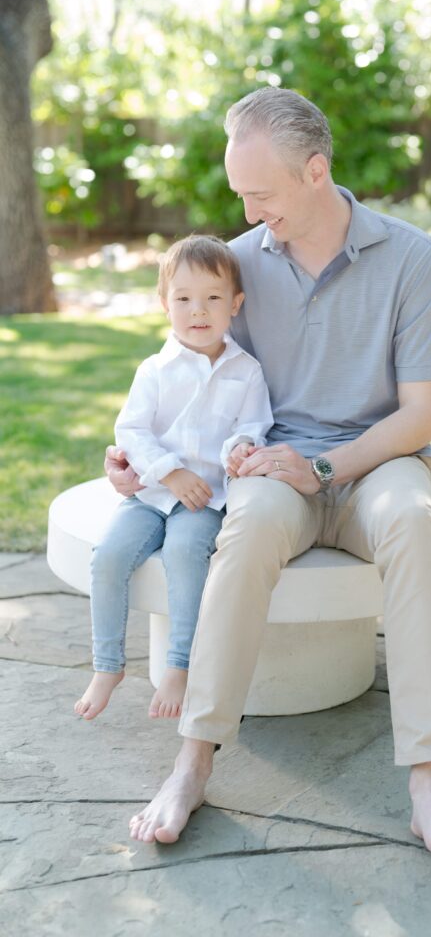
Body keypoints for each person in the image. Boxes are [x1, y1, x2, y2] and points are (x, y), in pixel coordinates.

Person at [108, 87, 431, 862]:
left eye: (261, 194)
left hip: (379, 462)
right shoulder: (236, 266)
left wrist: (324, 467)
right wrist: (138, 461)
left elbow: (420, 416)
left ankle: (428, 783)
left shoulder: (411, 258)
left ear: (316, 172)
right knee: (243, 532)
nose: (248, 213)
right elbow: (184, 378)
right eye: (240, 195)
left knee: (415, 523)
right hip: (272, 467)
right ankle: (193, 761)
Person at [76, 234, 272, 721]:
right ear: (165, 304)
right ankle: (108, 665)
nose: (197, 310)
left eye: (212, 298)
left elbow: (252, 428)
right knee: (109, 557)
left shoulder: (246, 372)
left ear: (235, 305)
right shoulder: (155, 369)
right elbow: (132, 430)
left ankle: (179, 664)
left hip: (203, 500)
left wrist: (239, 451)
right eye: (183, 298)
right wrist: (170, 471)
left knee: (187, 555)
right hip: (151, 494)